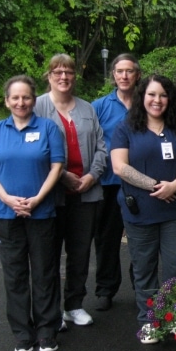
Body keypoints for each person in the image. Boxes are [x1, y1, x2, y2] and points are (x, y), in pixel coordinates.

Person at [110, 74, 176, 344]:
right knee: (144, 269)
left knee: (175, 268)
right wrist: (156, 185)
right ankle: (148, 321)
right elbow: (119, 167)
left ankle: (172, 316)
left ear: (169, 99)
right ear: (142, 97)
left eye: (162, 95)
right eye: (151, 94)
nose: (157, 100)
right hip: (141, 214)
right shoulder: (125, 128)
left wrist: (175, 186)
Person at [0, 75, 65, 351]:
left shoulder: (48, 128)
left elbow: (56, 167)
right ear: (6, 101)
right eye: (15, 98)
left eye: (26, 97)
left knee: (44, 273)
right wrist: (7, 199)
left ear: (33, 99)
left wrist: (39, 198)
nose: (21, 102)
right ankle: (22, 333)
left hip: (41, 213)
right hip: (6, 214)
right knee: (14, 276)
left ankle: (46, 331)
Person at [35, 54, 107, 328]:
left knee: (80, 252)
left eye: (68, 71)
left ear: (75, 75)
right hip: (50, 195)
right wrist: (62, 176)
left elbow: (102, 147)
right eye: (57, 72)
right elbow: (33, 148)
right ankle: (52, 310)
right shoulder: (39, 107)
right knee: (49, 255)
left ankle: (74, 305)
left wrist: (92, 175)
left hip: (86, 193)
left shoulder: (88, 109)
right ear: (49, 76)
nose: (63, 76)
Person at [91, 53, 140, 311]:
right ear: (113, 75)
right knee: (107, 239)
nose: (124, 76)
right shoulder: (99, 106)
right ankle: (105, 289)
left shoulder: (146, 104)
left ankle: (141, 287)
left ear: (137, 75)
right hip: (108, 183)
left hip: (141, 183)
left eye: (129, 71)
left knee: (140, 239)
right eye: (119, 71)